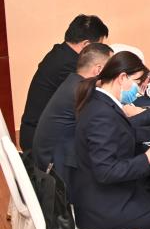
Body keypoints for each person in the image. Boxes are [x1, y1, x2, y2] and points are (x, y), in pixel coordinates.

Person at [72, 51, 150, 229]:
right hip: (105, 206)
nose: (138, 91)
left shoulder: (100, 101)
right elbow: (106, 171)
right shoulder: (101, 114)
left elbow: (126, 133)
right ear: (121, 77)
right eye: (137, 83)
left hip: (109, 195)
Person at [33, 45, 150, 185]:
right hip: (61, 171)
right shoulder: (84, 93)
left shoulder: (75, 82)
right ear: (99, 69)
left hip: (59, 156)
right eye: (112, 65)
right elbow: (115, 126)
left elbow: (116, 126)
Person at [20, 14, 109, 152]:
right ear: (86, 44)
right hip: (41, 142)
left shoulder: (61, 52)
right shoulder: (70, 65)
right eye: (99, 46)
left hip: (37, 130)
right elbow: (95, 95)